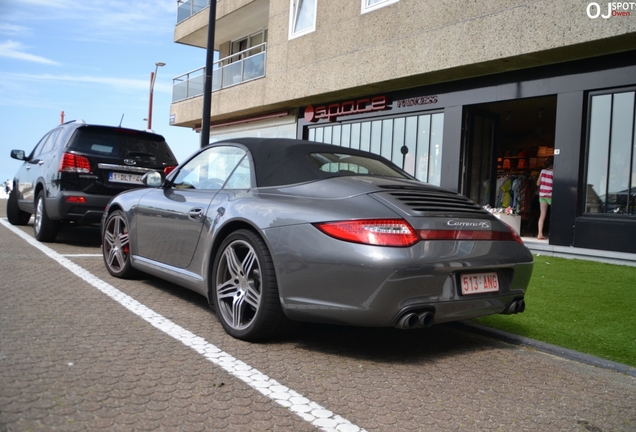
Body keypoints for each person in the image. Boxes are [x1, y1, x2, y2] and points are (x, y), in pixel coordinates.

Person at [537, 157, 554, 240]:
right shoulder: (554, 172)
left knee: (542, 214)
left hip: (542, 195)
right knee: (555, 214)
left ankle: (540, 234)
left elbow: (537, 183)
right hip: (550, 195)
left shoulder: (542, 171)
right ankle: (554, 233)